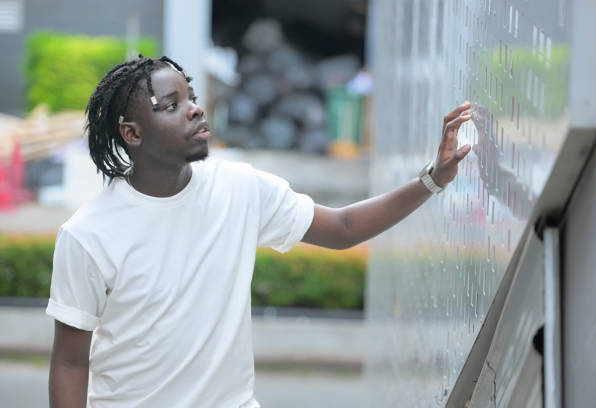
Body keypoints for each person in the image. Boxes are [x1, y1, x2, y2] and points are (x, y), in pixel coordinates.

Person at [47, 55, 472, 408]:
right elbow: (69, 363)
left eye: (192, 97)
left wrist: (433, 179)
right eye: (172, 104)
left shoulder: (241, 189)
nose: (195, 108)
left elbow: (343, 228)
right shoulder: (87, 235)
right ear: (132, 133)